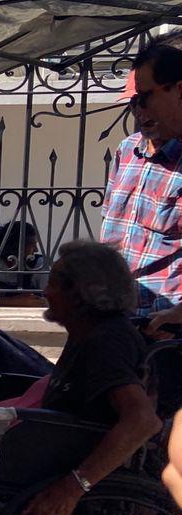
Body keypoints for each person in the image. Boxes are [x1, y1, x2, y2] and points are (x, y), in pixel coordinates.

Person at [21, 240, 162, 515]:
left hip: (61, 461)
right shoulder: (89, 331)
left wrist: (72, 488)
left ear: (80, 293)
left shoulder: (105, 342)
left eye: (53, 283)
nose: (45, 292)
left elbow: (142, 421)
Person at [103, 43, 182, 321]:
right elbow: (112, 238)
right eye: (132, 102)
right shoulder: (127, 151)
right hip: (119, 322)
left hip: (168, 332)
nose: (138, 110)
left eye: (144, 98)